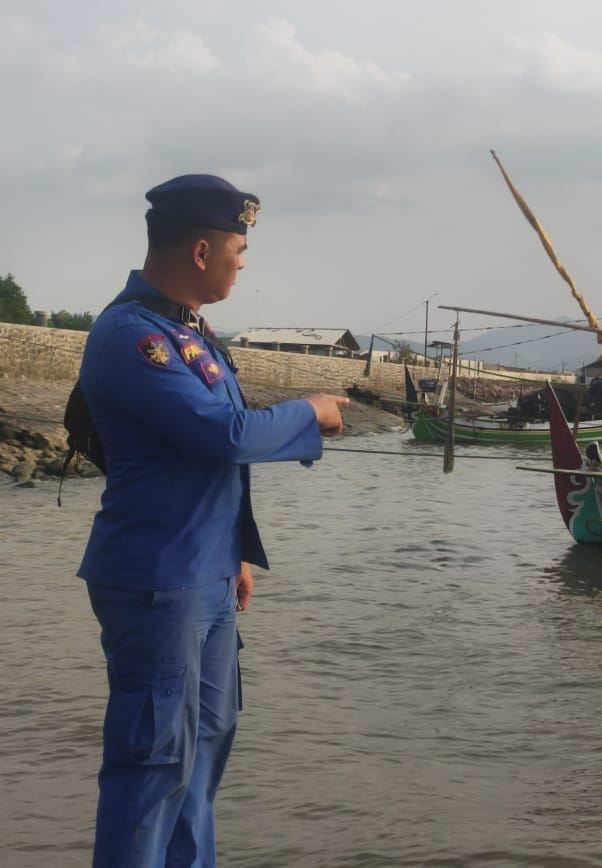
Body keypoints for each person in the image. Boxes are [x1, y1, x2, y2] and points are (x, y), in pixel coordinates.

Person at [77, 174, 349, 868]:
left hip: (206, 574)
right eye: (238, 247)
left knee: (203, 751)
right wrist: (311, 411)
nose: (242, 262)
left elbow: (213, 467)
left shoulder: (190, 331)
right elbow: (224, 435)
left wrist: (236, 555)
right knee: (153, 762)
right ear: (201, 250)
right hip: (157, 580)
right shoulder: (133, 336)